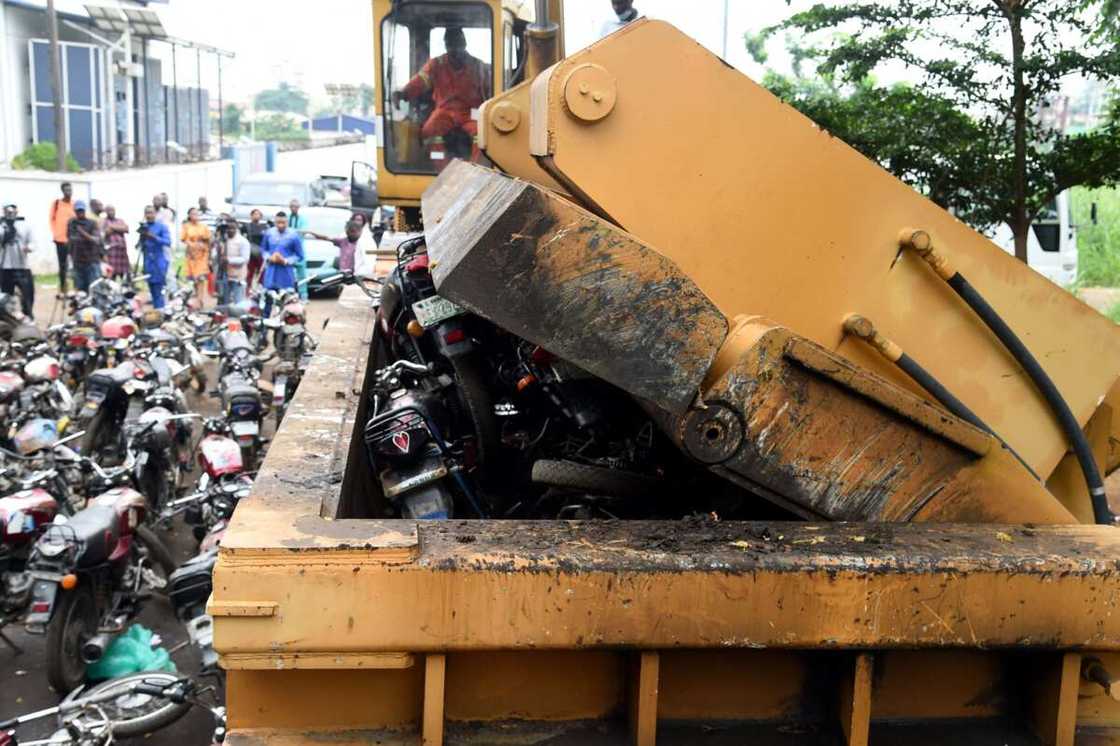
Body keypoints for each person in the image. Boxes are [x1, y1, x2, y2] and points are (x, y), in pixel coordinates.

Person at [393, 26, 489, 141]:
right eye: (450, 44)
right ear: (446, 46)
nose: (455, 48)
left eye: (458, 43)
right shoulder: (436, 64)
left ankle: (476, 160)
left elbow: (491, 88)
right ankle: (435, 159)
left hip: (471, 112)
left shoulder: (478, 66)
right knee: (428, 131)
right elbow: (420, 80)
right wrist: (404, 93)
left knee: (483, 134)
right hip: (444, 111)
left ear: (464, 43)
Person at [260, 211, 304, 320]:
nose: (281, 225)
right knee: (267, 302)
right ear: (275, 222)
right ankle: (263, 332)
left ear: (287, 222)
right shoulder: (269, 233)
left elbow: (299, 255)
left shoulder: (293, 235)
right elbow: (263, 249)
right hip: (271, 272)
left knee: (286, 303)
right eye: (278, 222)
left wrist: (286, 261)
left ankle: (281, 332)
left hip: (285, 274)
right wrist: (268, 257)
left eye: (283, 223)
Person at [0, 204, 35, 318]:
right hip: (6, 267)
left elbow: (32, 242)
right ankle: (8, 319)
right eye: (7, 211)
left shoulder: (25, 226)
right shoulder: (1, 226)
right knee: (6, 296)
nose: (10, 213)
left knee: (28, 294)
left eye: (13, 210)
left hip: (22, 266)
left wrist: (28, 247)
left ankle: (28, 315)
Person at [139, 205, 170, 309]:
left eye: (151, 213)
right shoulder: (144, 228)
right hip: (148, 263)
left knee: (159, 290)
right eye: (147, 213)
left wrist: (153, 237)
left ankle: (161, 312)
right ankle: (156, 314)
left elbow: (168, 242)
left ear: (155, 214)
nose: (149, 215)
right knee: (152, 290)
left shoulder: (162, 227)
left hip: (159, 262)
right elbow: (140, 246)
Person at [67, 200, 102, 292]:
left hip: (91, 261)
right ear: (75, 211)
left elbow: (96, 240)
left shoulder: (92, 223)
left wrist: (82, 232)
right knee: (80, 289)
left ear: (85, 211)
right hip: (77, 261)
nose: (80, 213)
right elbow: (71, 239)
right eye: (78, 211)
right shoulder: (71, 223)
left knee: (93, 288)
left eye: (81, 211)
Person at [181, 207, 212, 304]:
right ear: (189, 216)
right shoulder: (186, 226)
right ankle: (196, 298)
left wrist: (203, 245)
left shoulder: (203, 227)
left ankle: (201, 299)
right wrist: (191, 245)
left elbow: (208, 239)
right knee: (194, 279)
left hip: (202, 255)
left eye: (196, 214)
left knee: (201, 278)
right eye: (192, 214)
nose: (195, 216)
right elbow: (184, 239)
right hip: (191, 255)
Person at [49, 182, 75, 293]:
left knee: (76, 264)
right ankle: (63, 288)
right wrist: (56, 235)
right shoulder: (56, 204)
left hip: (73, 240)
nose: (69, 192)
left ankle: (77, 287)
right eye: (66, 190)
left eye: (70, 189)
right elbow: (51, 220)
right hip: (60, 240)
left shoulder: (74, 204)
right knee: (63, 265)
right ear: (62, 191)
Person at [155, 192, 179, 294]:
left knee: (168, 267)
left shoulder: (167, 212)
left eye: (163, 199)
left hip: (164, 244)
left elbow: (163, 227)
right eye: (157, 199)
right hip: (153, 246)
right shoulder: (151, 212)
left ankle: (173, 290)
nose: (161, 201)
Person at [222, 220, 250, 304]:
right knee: (225, 301)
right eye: (228, 228)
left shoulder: (243, 241)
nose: (230, 230)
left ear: (237, 228)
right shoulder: (224, 240)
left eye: (232, 228)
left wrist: (229, 260)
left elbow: (245, 259)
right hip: (225, 274)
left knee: (238, 302)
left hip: (238, 275)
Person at [101, 205, 131, 280]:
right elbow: (104, 233)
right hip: (111, 252)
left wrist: (112, 227)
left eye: (112, 210)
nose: (111, 212)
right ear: (106, 212)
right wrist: (119, 228)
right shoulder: (103, 221)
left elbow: (126, 229)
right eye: (109, 210)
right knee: (111, 275)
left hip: (122, 252)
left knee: (125, 276)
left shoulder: (120, 220)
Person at [288, 199, 308, 300]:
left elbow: (303, 231)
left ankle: (303, 295)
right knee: (288, 273)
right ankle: (289, 295)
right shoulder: (287, 218)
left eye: (296, 206)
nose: (294, 208)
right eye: (292, 206)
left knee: (302, 273)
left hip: (299, 248)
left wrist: (292, 232)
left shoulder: (302, 219)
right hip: (288, 249)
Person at [245, 208, 267, 292]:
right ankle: (248, 291)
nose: (256, 216)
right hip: (250, 253)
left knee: (262, 273)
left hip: (261, 253)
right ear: (251, 216)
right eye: (254, 214)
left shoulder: (264, 227)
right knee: (249, 273)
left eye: (258, 214)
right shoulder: (247, 226)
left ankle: (261, 290)